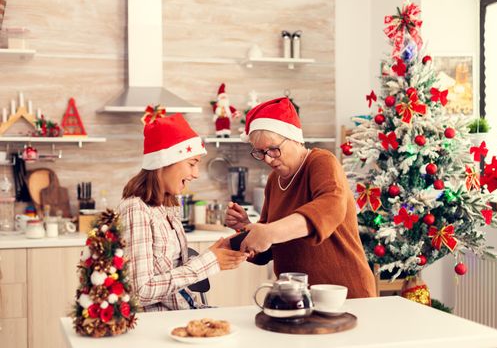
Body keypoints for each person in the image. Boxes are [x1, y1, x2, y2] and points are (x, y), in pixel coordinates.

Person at [225, 97, 376, 298]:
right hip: (297, 297)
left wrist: (269, 232)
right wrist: (248, 228)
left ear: (294, 138)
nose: (268, 159)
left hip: (344, 293)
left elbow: (329, 208)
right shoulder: (274, 181)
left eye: (273, 149)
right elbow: (269, 248)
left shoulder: (321, 162)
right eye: (261, 152)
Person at [118, 109, 247, 311]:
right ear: (164, 162)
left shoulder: (167, 205)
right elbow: (139, 292)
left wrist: (215, 253)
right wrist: (208, 263)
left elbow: (174, 270)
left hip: (182, 311)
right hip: (159, 323)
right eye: (192, 164)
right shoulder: (136, 209)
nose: (195, 174)